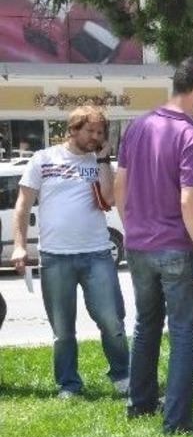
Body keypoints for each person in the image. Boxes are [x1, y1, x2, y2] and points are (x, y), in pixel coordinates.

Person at [116, 57, 193, 434]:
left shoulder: (137, 126)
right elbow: (189, 200)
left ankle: (139, 404)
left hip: (138, 246)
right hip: (176, 247)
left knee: (145, 326)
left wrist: (134, 231)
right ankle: (176, 422)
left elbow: (119, 188)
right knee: (182, 335)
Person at [11, 105, 129, 398]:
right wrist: (18, 246)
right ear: (72, 129)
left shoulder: (99, 161)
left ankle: (123, 376)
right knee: (63, 329)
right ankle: (69, 384)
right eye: (90, 131)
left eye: (100, 132)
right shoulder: (43, 159)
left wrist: (103, 159)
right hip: (55, 256)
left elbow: (109, 198)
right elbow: (23, 206)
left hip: (97, 254)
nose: (96, 136)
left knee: (111, 321)